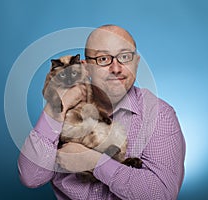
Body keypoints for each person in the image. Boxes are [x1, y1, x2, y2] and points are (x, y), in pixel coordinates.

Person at [18, 24, 186, 199]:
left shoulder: (159, 115)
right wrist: (57, 107)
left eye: (125, 57)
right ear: (86, 66)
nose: (116, 68)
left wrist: (94, 162)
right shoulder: (65, 107)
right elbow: (31, 178)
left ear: (136, 63)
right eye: (103, 59)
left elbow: (161, 195)